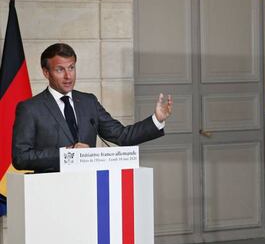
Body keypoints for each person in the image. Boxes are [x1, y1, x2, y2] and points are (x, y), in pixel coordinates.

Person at [12, 43, 173, 172]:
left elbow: (123, 136)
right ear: (46, 73)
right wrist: (68, 153)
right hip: (49, 193)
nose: (68, 76)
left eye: (72, 68)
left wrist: (156, 120)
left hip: (90, 190)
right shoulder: (30, 108)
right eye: (60, 70)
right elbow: (20, 157)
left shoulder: (88, 102)